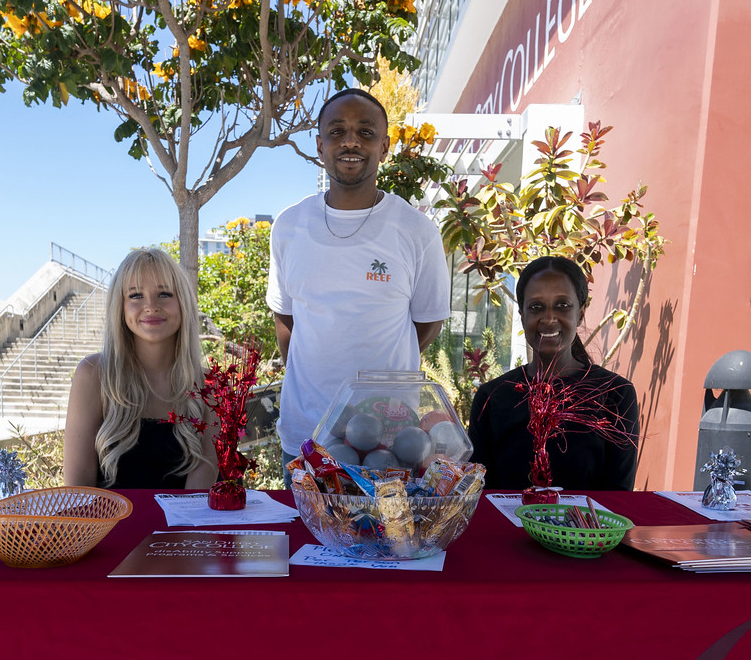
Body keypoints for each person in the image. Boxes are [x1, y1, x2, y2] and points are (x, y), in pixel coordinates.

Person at [267, 87, 451, 465]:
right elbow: (285, 318)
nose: (350, 141)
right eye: (337, 131)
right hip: (305, 435)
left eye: (365, 132)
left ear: (384, 147)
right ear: (320, 145)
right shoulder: (289, 226)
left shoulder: (416, 231)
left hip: (389, 440)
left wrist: (379, 381)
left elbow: (428, 323)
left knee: (390, 509)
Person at [468, 255, 640, 490]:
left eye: (562, 305)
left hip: (589, 517)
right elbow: (479, 495)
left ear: (581, 312)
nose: (549, 318)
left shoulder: (615, 395)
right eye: (536, 307)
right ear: (522, 315)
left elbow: (619, 497)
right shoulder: (492, 398)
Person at [62, 246, 215, 489]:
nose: (151, 306)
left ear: (183, 302)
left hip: (189, 517)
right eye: (135, 295)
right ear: (120, 307)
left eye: (164, 293)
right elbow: (78, 490)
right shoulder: (92, 374)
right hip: (105, 516)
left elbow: (199, 497)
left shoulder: (212, 386)